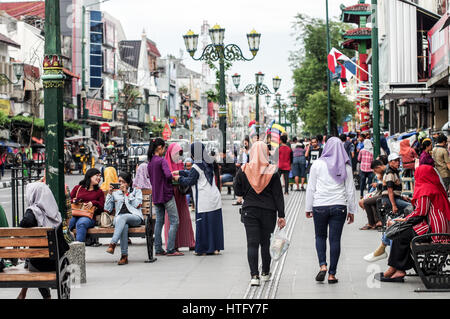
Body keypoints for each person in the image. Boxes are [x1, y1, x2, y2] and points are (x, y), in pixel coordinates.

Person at [375, 165, 450, 282]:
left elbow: (420, 212)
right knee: (403, 233)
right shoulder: (434, 187)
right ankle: (398, 269)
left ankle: (396, 269)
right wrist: (406, 219)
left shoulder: (426, 189)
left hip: (435, 232)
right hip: (437, 227)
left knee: (400, 234)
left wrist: (405, 220)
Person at [234, 141, 286, 286]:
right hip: (269, 212)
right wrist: (281, 215)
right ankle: (265, 273)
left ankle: (254, 276)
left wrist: (245, 191)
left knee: (252, 244)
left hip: (249, 211)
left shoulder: (244, 169)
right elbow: (278, 196)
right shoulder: (273, 171)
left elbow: (237, 191)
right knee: (265, 243)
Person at [305, 137, 357, 284]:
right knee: (335, 240)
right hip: (339, 206)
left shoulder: (317, 164)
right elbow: (350, 190)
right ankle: (332, 274)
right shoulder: (346, 166)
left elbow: (311, 187)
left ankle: (323, 265)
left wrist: (308, 207)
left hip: (319, 205)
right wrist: (352, 210)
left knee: (320, 237)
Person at [17, 182, 69, 299]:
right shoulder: (55, 212)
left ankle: (45, 296)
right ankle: (23, 294)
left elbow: (26, 223)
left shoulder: (33, 211)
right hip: (59, 262)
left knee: (32, 263)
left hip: (40, 264)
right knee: (34, 259)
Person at [173, 142, 224, 256]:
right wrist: (181, 172)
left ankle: (203, 249)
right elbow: (196, 174)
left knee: (203, 224)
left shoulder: (196, 166)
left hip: (204, 199)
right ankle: (215, 248)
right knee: (214, 224)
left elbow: (190, 180)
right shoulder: (209, 162)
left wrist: (178, 178)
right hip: (214, 197)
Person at [147, 138, 183, 257]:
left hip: (156, 195)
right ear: (159, 148)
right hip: (166, 194)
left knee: (159, 222)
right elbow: (168, 175)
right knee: (175, 221)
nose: (164, 150)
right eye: (163, 148)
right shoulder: (161, 161)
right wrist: (173, 175)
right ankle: (171, 249)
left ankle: (158, 248)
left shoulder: (151, 162)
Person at [104, 172, 143, 265]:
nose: (121, 184)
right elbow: (107, 209)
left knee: (123, 217)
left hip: (135, 217)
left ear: (128, 183)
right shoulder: (115, 193)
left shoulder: (136, 191)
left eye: (123, 182)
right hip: (119, 219)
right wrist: (109, 194)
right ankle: (124, 256)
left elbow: (137, 205)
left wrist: (127, 193)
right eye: (119, 181)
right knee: (124, 225)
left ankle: (113, 243)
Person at [163, 143, 195, 252]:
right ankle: (173, 244)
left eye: (179, 153)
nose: (177, 155)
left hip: (180, 194)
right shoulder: (165, 163)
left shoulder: (180, 163)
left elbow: (186, 175)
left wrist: (179, 177)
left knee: (185, 218)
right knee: (172, 220)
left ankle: (189, 242)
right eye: (176, 153)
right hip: (171, 194)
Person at [69, 168, 105, 243]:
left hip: (89, 216)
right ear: (90, 176)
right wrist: (75, 201)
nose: (99, 178)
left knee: (81, 223)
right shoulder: (78, 188)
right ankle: (64, 244)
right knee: (69, 223)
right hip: (75, 213)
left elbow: (102, 207)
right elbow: (69, 201)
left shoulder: (99, 192)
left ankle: (78, 247)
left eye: (100, 176)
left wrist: (94, 203)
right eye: (97, 175)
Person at [359, 160, 385, 230]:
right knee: (369, 201)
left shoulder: (386, 173)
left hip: (385, 194)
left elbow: (387, 186)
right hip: (382, 193)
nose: (374, 172)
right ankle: (375, 222)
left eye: (375, 170)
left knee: (366, 202)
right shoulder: (384, 173)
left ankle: (371, 223)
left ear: (378, 167)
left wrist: (377, 185)